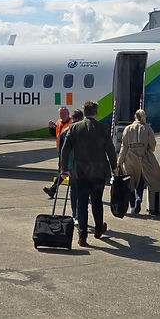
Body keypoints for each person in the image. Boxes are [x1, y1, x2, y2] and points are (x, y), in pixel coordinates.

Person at [59, 101, 117, 247]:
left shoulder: (74, 127)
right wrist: (114, 167)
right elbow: (110, 149)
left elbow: (65, 150)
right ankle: (98, 229)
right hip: (98, 172)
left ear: (84, 113)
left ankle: (82, 236)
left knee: (82, 203)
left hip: (80, 172)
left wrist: (64, 169)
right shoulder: (103, 128)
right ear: (96, 113)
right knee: (97, 201)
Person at [115, 109, 160, 214]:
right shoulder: (148, 128)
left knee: (131, 182)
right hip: (143, 157)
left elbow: (124, 147)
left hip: (130, 158)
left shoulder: (128, 128)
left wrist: (119, 161)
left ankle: (132, 206)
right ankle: (139, 197)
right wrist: (148, 149)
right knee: (141, 180)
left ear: (135, 116)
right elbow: (153, 145)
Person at [43, 109, 84, 199]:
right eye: (60, 114)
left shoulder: (71, 125)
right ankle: (54, 189)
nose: (61, 115)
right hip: (62, 152)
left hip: (69, 154)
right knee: (63, 172)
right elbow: (56, 134)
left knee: (65, 172)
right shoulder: (59, 122)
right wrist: (51, 128)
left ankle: (54, 189)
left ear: (69, 115)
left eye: (63, 114)